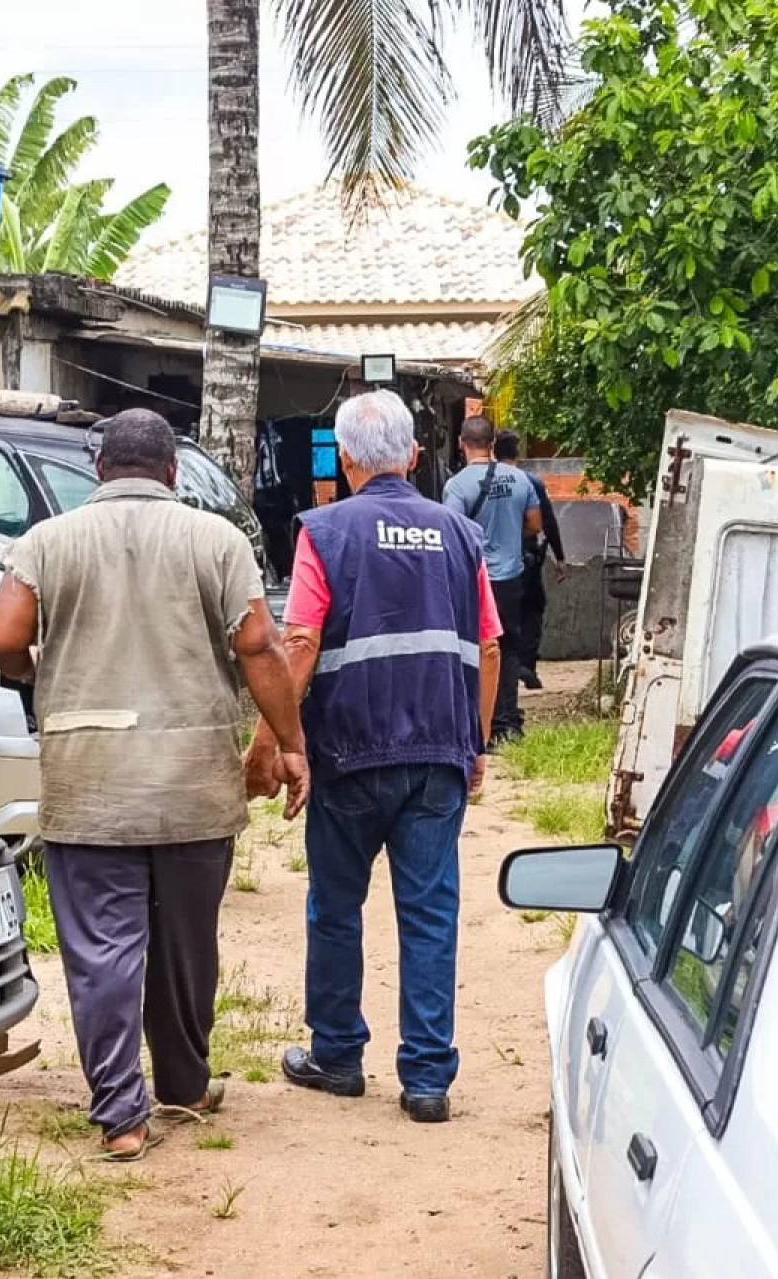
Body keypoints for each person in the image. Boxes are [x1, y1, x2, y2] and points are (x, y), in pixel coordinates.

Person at [0, 409, 310, 1163]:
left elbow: (0, 637)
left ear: (100, 471)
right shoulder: (217, 541)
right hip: (193, 782)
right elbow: (258, 646)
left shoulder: (47, 541)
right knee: (187, 944)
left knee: (103, 951)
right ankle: (185, 1085)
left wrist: (37, 670)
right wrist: (290, 744)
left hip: (88, 782)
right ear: (170, 473)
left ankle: (122, 1114)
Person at [244, 389, 501, 1124]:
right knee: (429, 912)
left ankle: (337, 1054)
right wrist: (473, 744)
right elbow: (488, 646)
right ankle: (425, 1079)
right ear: (416, 458)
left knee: (335, 906)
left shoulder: (325, 532)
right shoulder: (458, 534)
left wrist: (277, 741)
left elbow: (299, 643)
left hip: (349, 751)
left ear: (347, 459)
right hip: (436, 756)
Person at [442, 416, 540, 741]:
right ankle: (507, 723)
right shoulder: (520, 479)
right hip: (511, 577)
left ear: (461, 443)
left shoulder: (456, 486)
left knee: (475, 649)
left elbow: (453, 536)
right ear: (492, 444)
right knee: (508, 649)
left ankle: (477, 724)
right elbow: (535, 525)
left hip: (475, 580)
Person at [495, 430, 566, 689]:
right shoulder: (530, 482)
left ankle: (504, 669)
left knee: (500, 614)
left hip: (494, 561)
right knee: (532, 608)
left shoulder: (485, 482)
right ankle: (526, 666)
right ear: (517, 453)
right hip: (527, 558)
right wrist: (559, 557)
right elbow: (547, 520)